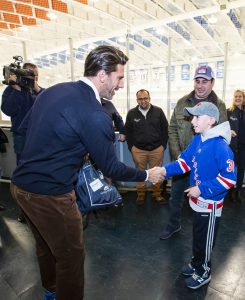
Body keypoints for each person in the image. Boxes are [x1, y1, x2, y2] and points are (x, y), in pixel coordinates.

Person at [9, 45, 164, 300]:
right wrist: (147, 175)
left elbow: (25, 129)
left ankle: (50, 292)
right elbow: (111, 167)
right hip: (51, 197)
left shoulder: (54, 91)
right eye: (120, 77)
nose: (121, 85)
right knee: (71, 256)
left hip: (20, 187)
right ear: (103, 75)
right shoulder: (95, 114)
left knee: (46, 247)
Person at [161, 102, 236, 289]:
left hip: (210, 205)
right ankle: (196, 263)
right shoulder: (199, 139)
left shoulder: (220, 145)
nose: (192, 121)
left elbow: (229, 179)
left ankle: (204, 271)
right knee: (198, 236)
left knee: (206, 239)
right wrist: (163, 171)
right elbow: (184, 163)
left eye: (196, 117)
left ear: (210, 120)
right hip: (198, 203)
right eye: (192, 117)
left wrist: (201, 189)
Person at [159, 65, 227, 239]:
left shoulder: (219, 106)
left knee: (203, 199)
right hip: (183, 159)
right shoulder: (182, 102)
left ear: (212, 82)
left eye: (205, 81)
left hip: (206, 166)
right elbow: (172, 128)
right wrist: (178, 154)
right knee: (176, 198)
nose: (200, 85)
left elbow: (223, 136)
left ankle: (203, 234)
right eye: (197, 81)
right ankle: (173, 224)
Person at [1, 63, 44, 223]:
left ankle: (41, 209)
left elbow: (50, 104)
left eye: (35, 74)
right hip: (22, 137)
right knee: (24, 175)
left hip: (40, 137)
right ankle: (25, 211)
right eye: (30, 74)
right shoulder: (11, 91)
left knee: (41, 173)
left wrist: (36, 88)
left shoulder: (38, 91)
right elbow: (8, 110)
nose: (33, 77)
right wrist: (17, 90)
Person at [125, 89, 168, 205]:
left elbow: (165, 129)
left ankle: (157, 194)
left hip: (156, 149)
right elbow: (128, 132)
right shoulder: (132, 113)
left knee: (157, 173)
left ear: (149, 99)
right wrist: (132, 147)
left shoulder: (158, 111)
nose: (143, 101)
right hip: (138, 150)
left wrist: (162, 146)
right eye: (140, 99)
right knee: (140, 173)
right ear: (137, 100)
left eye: (145, 98)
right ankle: (141, 195)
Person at [227, 89, 245, 202]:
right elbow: (223, 127)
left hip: (243, 147)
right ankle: (230, 191)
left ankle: (238, 191)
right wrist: (229, 131)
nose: (237, 98)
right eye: (236, 96)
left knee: (241, 169)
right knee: (231, 169)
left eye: (240, 96)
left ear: (243, 99)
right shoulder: (229, 112)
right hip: (231, 146)